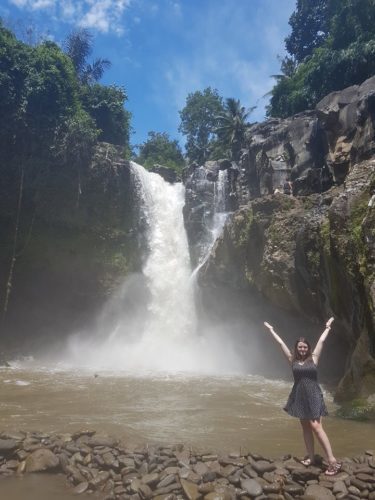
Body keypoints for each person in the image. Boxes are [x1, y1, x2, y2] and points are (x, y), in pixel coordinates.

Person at [263, 317, 341, 476]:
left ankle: (332, 460)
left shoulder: (314, 357)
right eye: (300, 347)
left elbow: (321, 342)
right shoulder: (292, 359)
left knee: (317, 427)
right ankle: (311, 457)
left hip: (313, 394)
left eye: (305, 347)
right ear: (296, 348)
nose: (303, 349)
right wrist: (271, 330)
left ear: (308, 348)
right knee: (305, 427)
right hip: (299, 395)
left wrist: (328, 327)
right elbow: (280, 344)